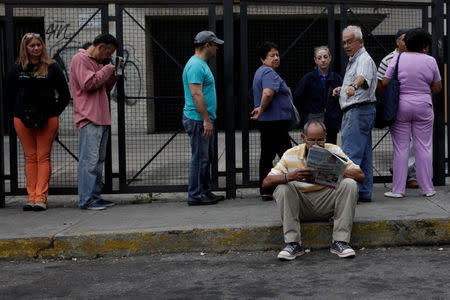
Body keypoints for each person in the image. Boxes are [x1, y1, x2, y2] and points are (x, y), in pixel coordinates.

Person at [262, 120, 365, 260]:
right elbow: (266, 183)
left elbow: (360, 176)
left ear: (325, 137)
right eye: (311, 140)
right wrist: (290, 176)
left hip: (328, 203)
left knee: (349, 184)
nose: (316, 145)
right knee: (282, 188)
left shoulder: (334, 150)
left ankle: (340, 241)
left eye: (320, 140)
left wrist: (335, 169)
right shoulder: (290, 154)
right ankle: (293, 243)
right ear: (303, 138)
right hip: (301, 205)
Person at [6, 33, 70, 211]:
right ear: (25, 48)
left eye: (38, 45)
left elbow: (65, 95)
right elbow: (8, 95)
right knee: (30, 157)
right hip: (22, 119)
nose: (35, 48)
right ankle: (31, 197)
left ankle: (40, 197)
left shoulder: (52, 67)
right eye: (31, 45)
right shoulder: (16, 69)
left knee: (43, 156)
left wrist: (53, 112)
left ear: (42, 46)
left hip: (47, 119)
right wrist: (16, 113)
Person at [380, 28, 442, 198]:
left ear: (407, 43)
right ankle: (428, 189)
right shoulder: (430, 61)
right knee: (423, 147)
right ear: (424, 45)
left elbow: (385, 81)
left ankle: (398, 190)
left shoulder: (398, 58)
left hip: (401, 106)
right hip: (424, 105)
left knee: (401, 148)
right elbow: (437, 87)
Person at [70, 33, 120, 210]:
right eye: (108, 53)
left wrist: (113, 75)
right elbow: (88, 84)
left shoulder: (97, 64)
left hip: (101, 118)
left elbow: (103, 87)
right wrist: (107, 69)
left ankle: (95, 196)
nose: (108, 58)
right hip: (89, 118)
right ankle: (86, 200)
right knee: (89, 162)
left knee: (98, 162)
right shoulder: (80, 59)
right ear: (100, 47)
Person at [332, 25, 377, 203]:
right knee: (364, 155)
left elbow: (362, 78)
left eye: (350, 42)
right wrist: (342, 89)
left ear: (360, 42)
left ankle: (348, 197)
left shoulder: (363, 59)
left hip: (357, 111)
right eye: (344, 43)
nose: (346, 46)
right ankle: (363, 192)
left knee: (350, 156)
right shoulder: (355, 59)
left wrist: (353, 87)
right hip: (363, 110)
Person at [182, 30, 225, 206]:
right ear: (207, 45)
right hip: (198, 120)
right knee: (200, 158)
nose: (217, 48)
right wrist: (206, 120)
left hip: (202, 119)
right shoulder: (195, 65)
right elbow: (196, 94)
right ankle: (195, 195)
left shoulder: (201, 64)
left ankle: (205, 191)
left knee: (206, 157)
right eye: (215, 45)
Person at [376, 29, 418, 189]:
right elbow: (380, 84)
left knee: (414, 140)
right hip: (395, 104)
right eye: (403, 39)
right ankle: (407, 175)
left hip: (411, 102)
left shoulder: (415, 57)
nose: (406, 42)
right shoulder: (388, 59)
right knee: (401, 141)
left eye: (408, 39)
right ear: (396, 42)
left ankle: (406, 172)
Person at [251, 41, 292, 202]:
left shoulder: (261, 71)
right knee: (287, 155)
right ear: (263, 59)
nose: (276, 58)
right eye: (271, 55)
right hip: (276, 122)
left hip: (269, 122)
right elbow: (268, 93)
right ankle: (294, 185)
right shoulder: (268, 72)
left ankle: (266, 189)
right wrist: (261, 108)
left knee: (267, 155)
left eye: (277, 55)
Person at [294, 45, 342, 144]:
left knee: (330, 149)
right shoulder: (308, 78)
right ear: (315, 60)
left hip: (331, 122)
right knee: (313, 150)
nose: (323, 60)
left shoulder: (337, 78)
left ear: (330, 58)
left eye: (325, 57)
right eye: (319, 58)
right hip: (313, 123)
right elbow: (298, 97)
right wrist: (307, 113)